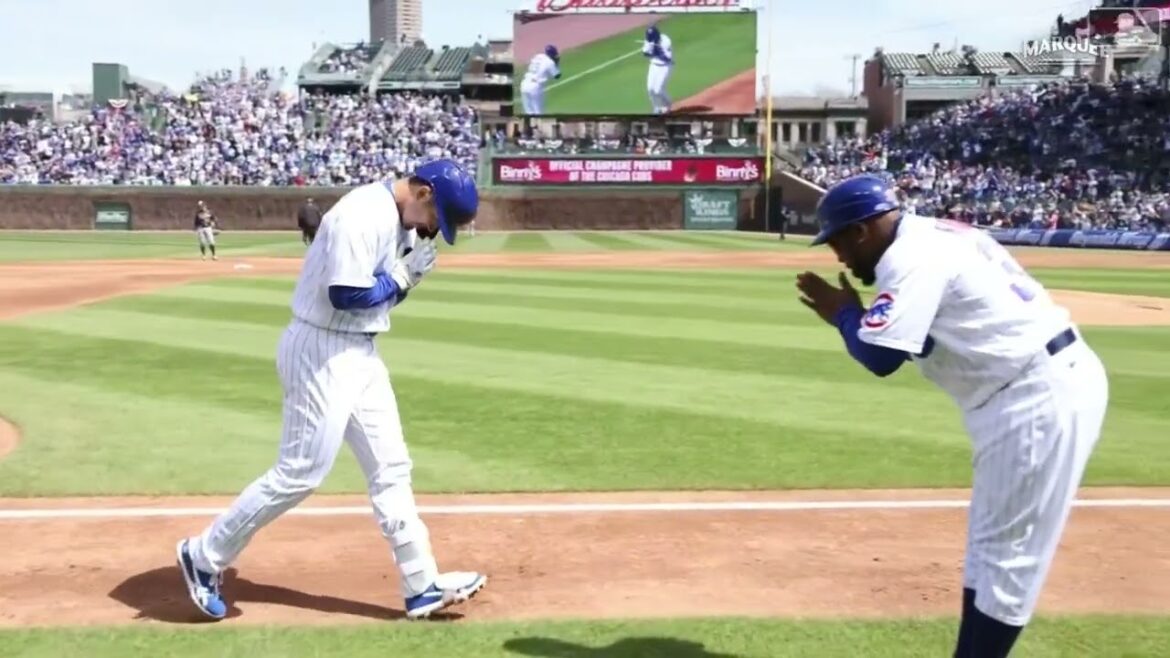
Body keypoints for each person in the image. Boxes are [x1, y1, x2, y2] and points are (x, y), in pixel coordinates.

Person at [795, 174, 1109, 658]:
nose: (838, 256)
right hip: (1027, 384)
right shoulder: (941, 233)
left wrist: (843, 314)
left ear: (861, 230)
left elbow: (880, 358)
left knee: (1008, 560)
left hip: (1033, 395)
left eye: (838, 241)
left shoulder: (911, 257)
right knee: (989, 550)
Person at [175, 159, 486, 621]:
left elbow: (379, 299)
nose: (436, 230)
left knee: (392, 466)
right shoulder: (361, 213)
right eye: (438, 217)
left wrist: (406, 279)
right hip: (320, 349)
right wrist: (403, 276)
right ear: (422, 194)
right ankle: (203, 556)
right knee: (300, 472)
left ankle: (421, 584)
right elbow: (346, 294)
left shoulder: (400, 223)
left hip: (359, 352)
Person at [519, 45, 561, 115]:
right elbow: (557, 76)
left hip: (524, 84)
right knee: (538, 112)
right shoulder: (550, 62)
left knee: (528, 112)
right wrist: (557, 64)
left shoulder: (538, 56)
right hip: (535, 87)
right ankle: (537, 125)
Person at [642, 25, 673, 115]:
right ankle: (656, 108)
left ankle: (668, 104)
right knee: (650, 89)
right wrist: (650, 47)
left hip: (665, 67)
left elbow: (668, 58)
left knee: (658, 90)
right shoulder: (649, 40)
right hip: (653, 66)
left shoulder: (666, 40)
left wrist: (658, 49)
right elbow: (645, 53)